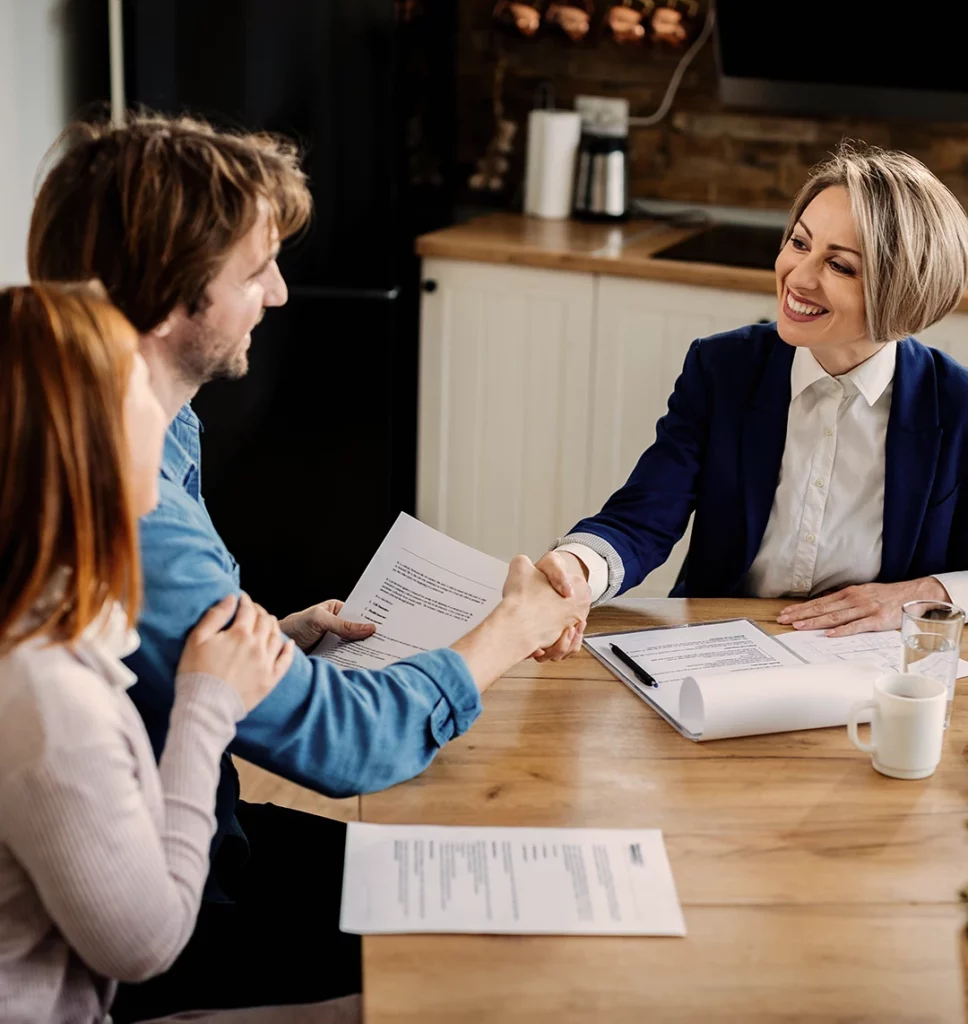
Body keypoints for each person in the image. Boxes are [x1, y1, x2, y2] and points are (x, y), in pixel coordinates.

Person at [27, 115, 591, 1020]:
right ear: (173, 302)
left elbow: (146, 654)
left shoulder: (157, 426)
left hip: (200, 829)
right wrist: (509, 631)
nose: (281, 293)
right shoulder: (136, 509)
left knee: (474, 872)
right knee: (506, 947)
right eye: (256, 272)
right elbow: (346, 746)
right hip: (172, 906)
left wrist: (271, 644)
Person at [533, 143, 968, 660]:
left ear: (903, 290)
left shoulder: (956, 404)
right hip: (721, 647)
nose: (798, 278)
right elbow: (643, 518)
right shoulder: (722, 369)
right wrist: (577, 571)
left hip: (875, 663)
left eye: (840, 265)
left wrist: (925, 595)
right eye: (799, 244)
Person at [0, 283, 294, 1021]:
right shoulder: (41, 692)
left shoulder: (44, 598)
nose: (163, 421)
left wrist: (266, 645)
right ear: (82, 444)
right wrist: (208, 703)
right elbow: (145, 943)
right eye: (140, 397)